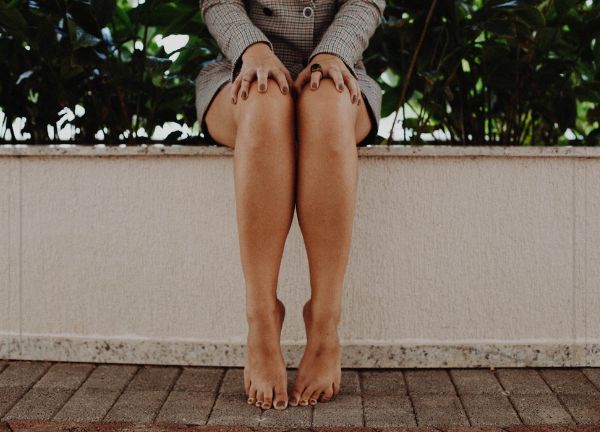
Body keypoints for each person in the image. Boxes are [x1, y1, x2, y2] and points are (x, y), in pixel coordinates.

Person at [195, 0, 386, 411]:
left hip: (342, 71)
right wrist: (253, 49)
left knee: (328, 98)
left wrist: (332, 53)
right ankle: (262, 319)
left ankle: (324, 322)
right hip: (240, 71)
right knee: (265, 97)